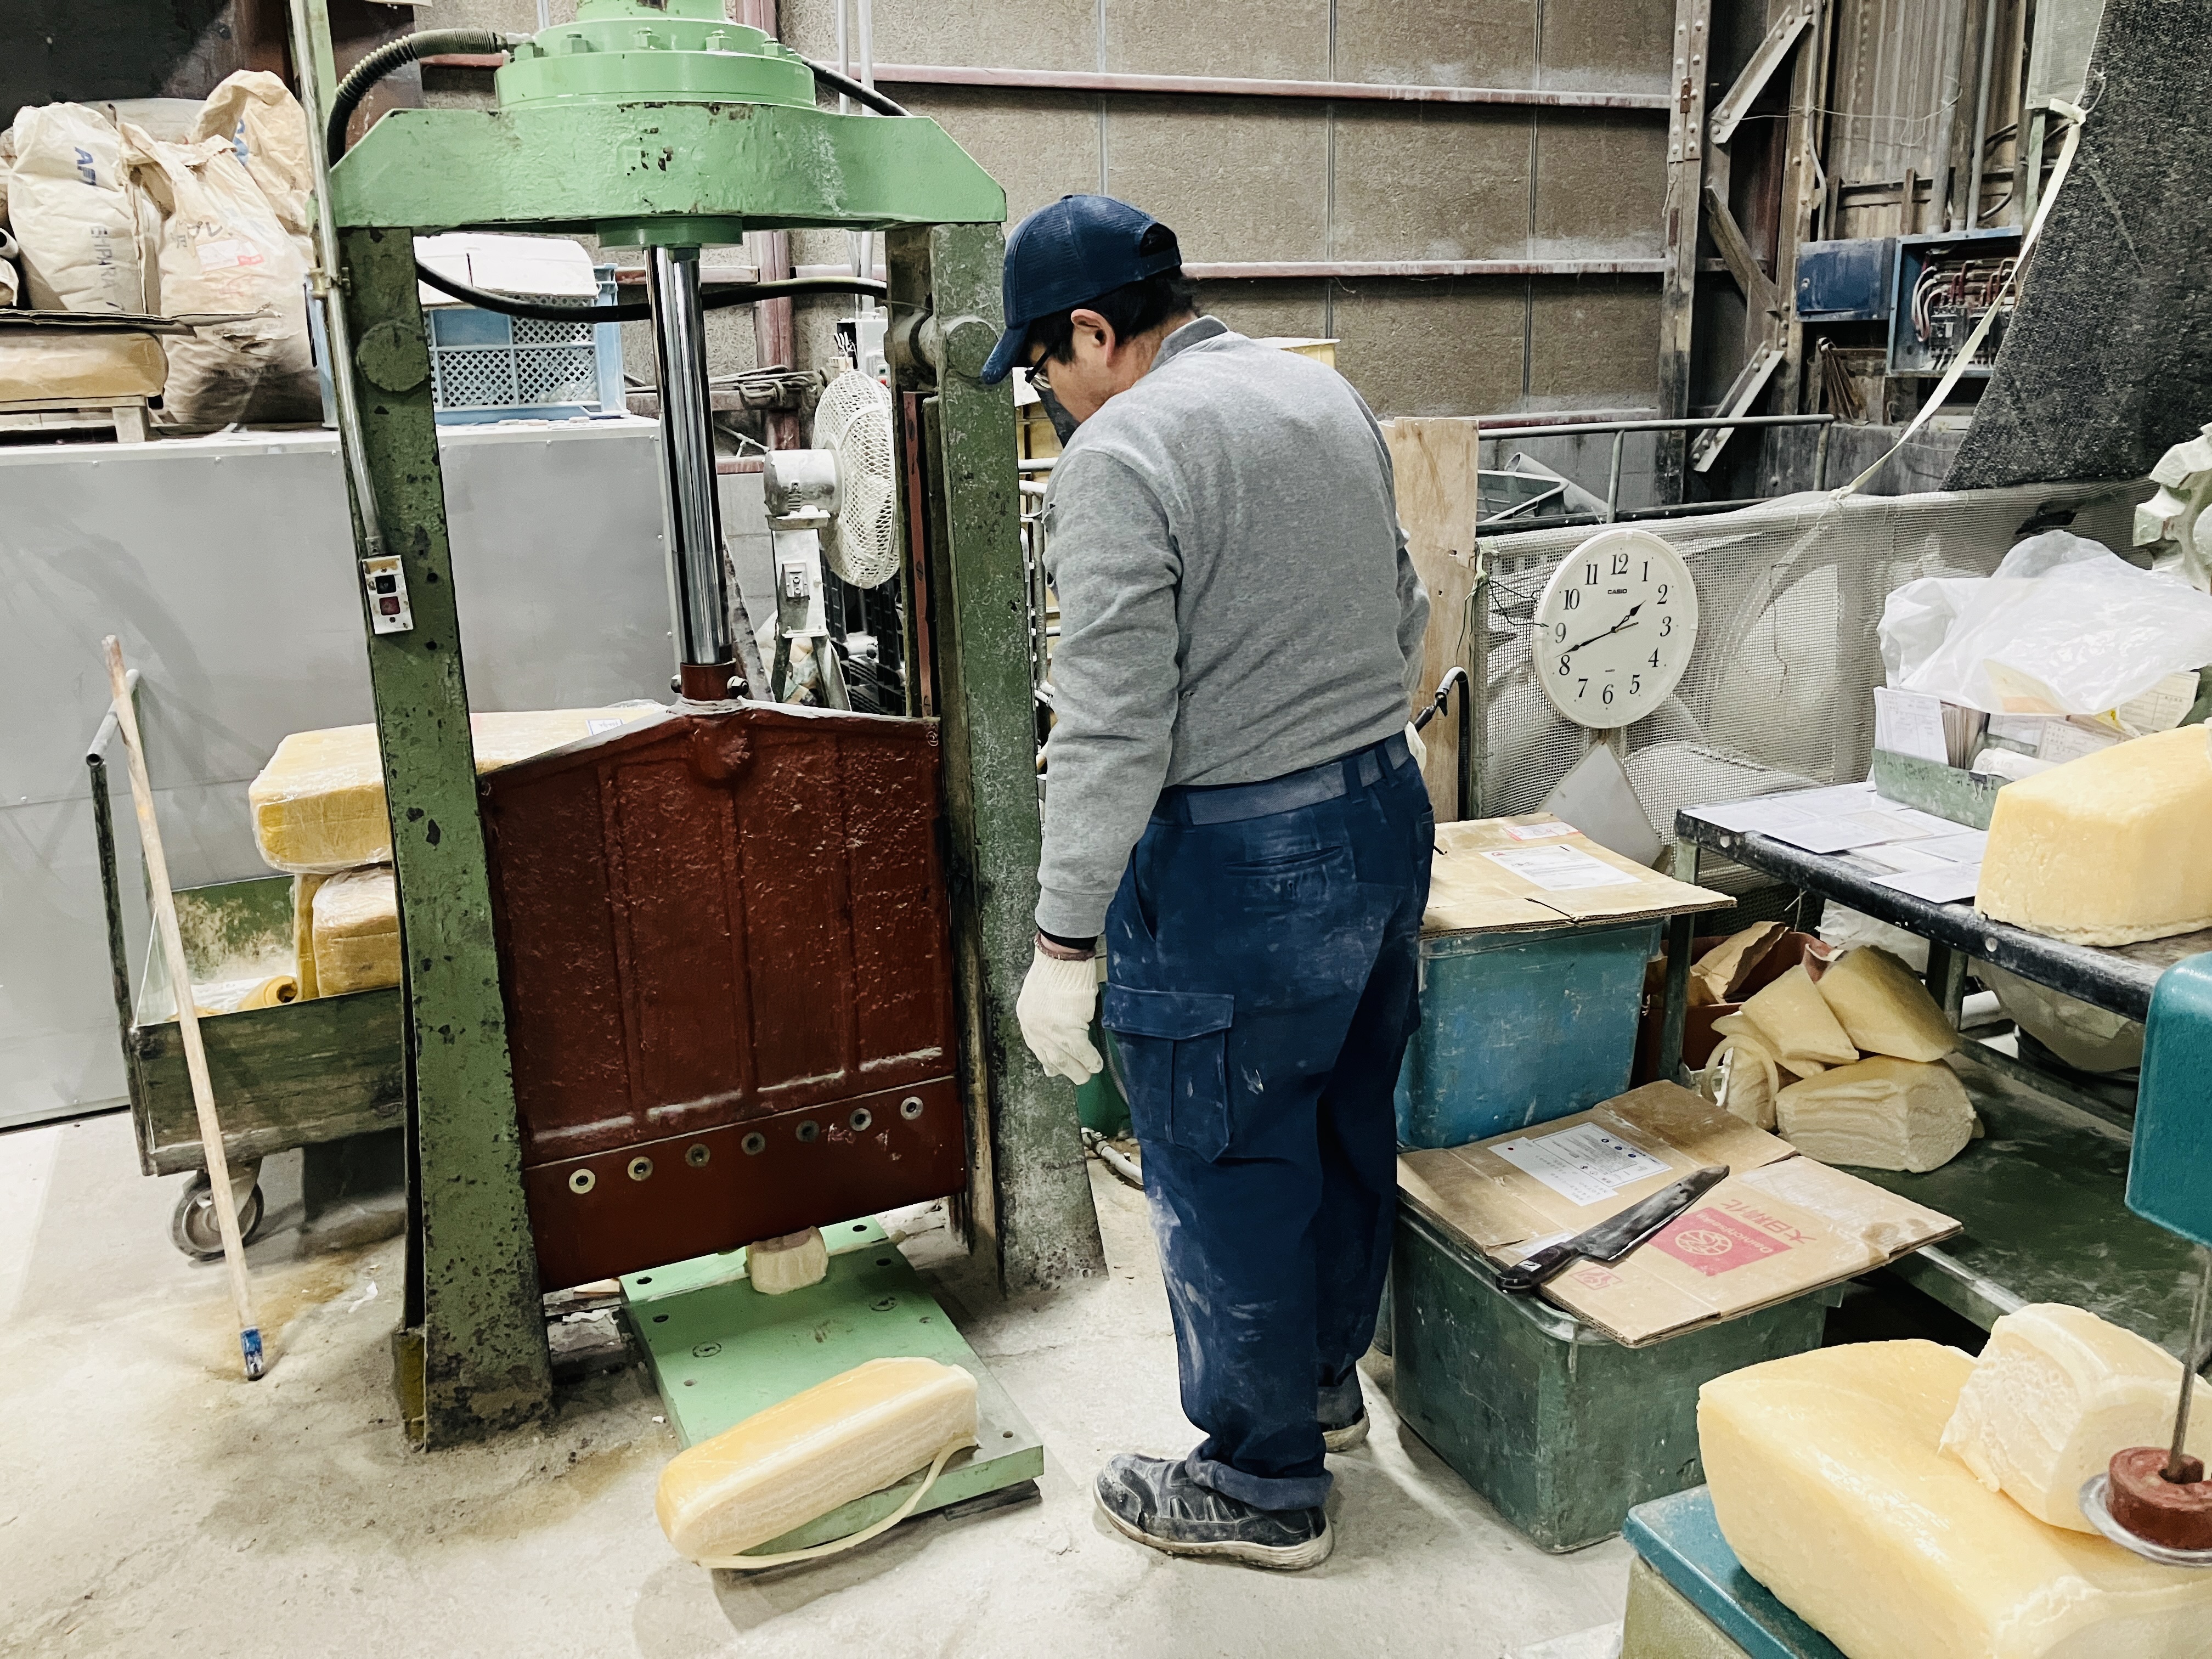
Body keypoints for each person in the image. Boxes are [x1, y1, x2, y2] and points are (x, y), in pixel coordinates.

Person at [986, 195, 1435, 1571]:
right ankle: (1315, 1391)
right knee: (1344, 1122)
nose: (1050, 400)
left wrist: (1063, 943)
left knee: (1226, 1158)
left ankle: (1261, 1487)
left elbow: (1112, 726)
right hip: (1383, 812)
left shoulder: (1123, 454)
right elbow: (1408, 606)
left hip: (1244, 863)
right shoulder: (1319, 399)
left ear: (1092, 332)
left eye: (1044, 370)